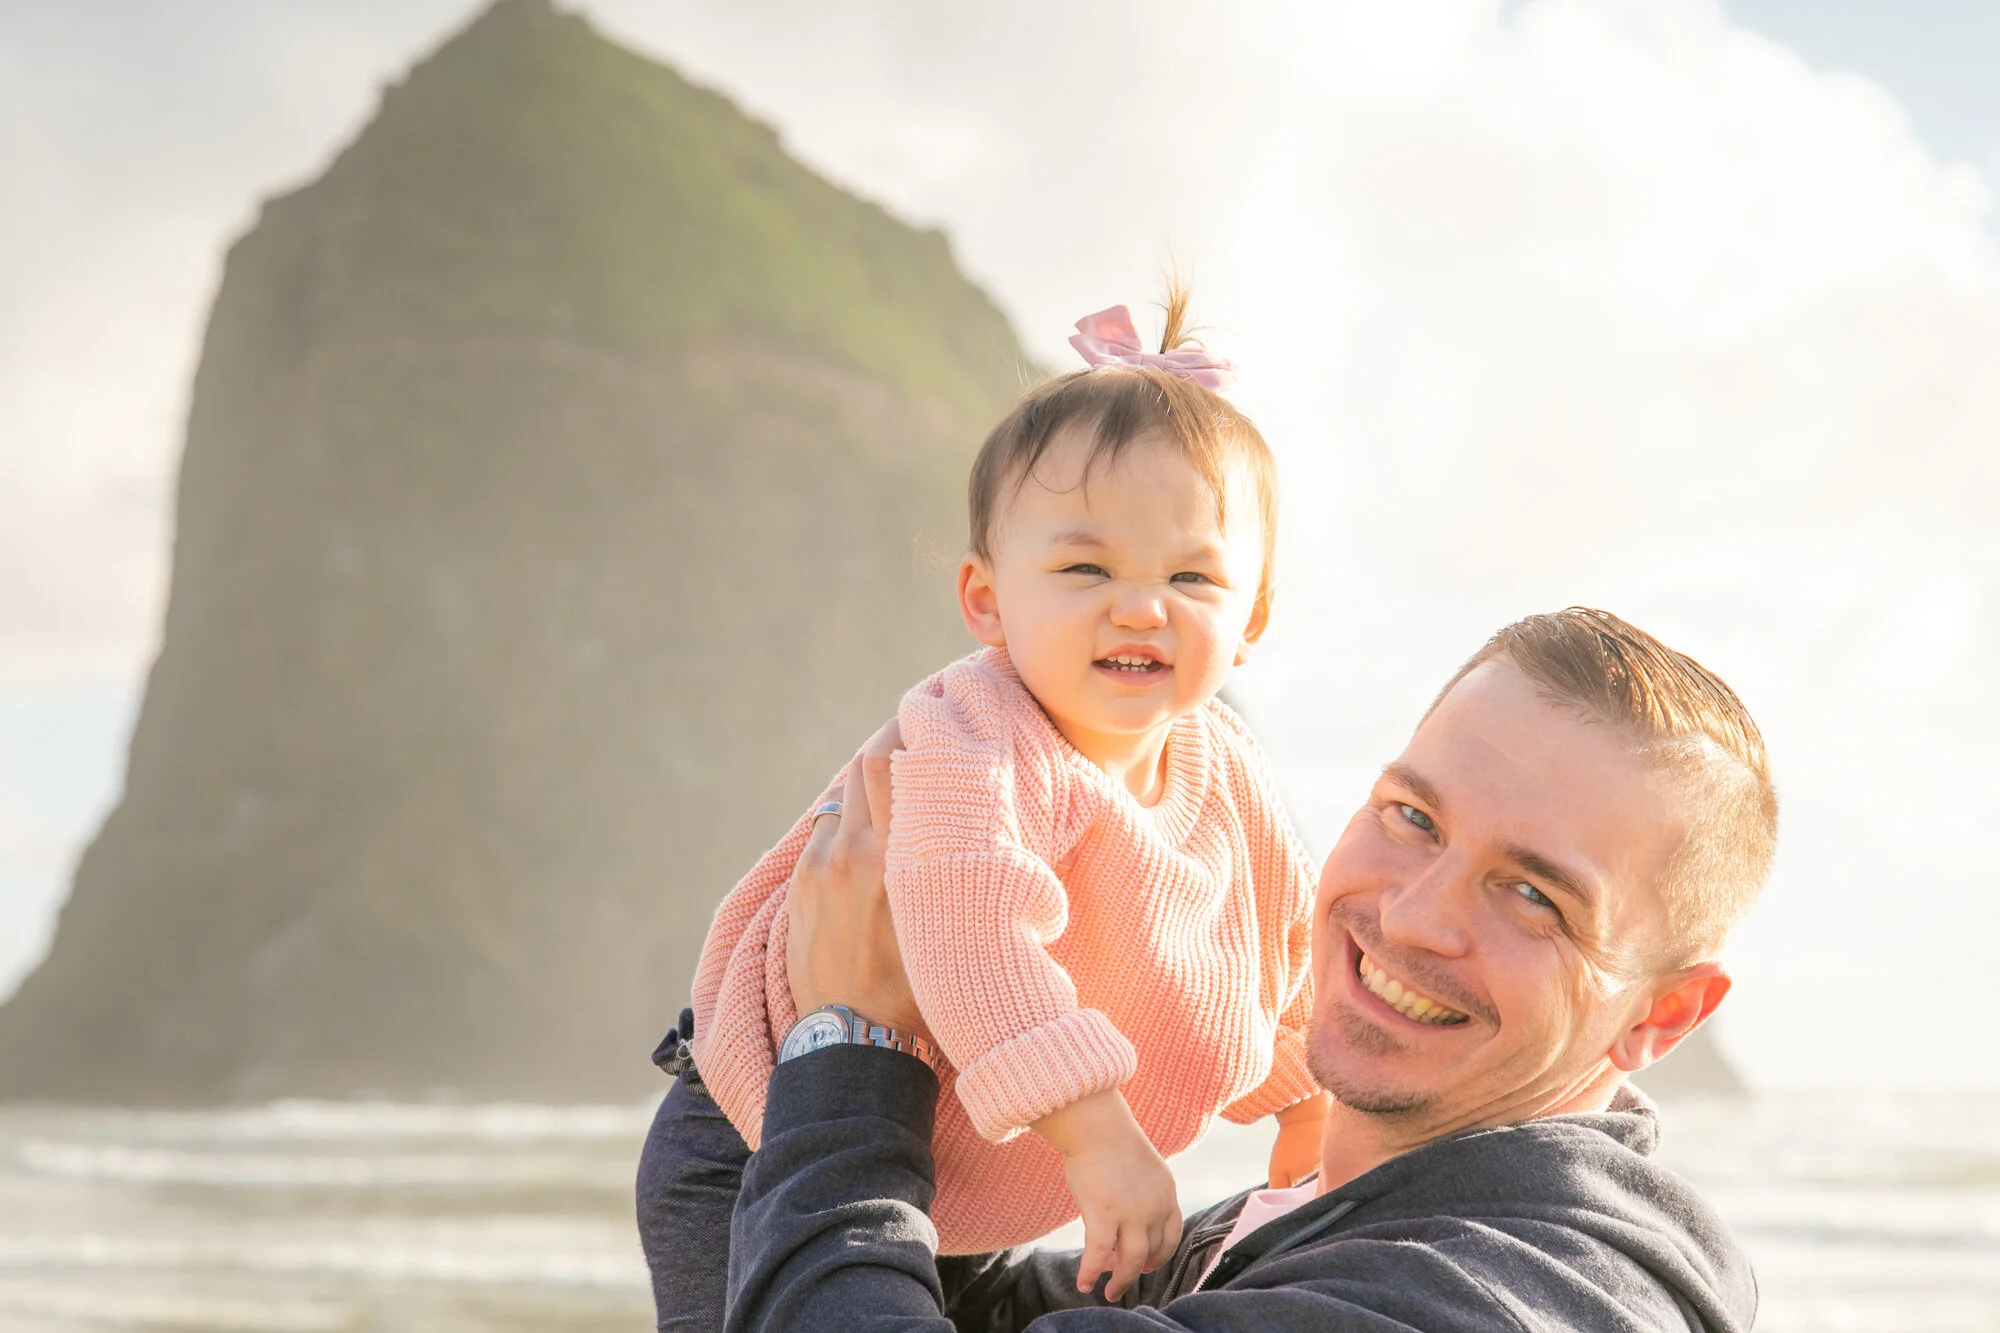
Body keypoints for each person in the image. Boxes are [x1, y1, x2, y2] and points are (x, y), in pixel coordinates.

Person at [640, 607, 1775, 1331]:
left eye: (1533, 895)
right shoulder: (1316, 1222)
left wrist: (853, 1046)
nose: (1415, 915)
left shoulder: (1501, 1297)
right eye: (1411, 816)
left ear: (1663, 1014)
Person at [653, 289, 1328, 1326]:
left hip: (967, 1166)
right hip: (761, 1139)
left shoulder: (1224, 766)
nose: (1140, 604)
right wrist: (1100, 1134)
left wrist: (1300, 1092)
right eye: (1082, 566)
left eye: (1191, 575)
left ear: (1254, 618)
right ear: (986, 598)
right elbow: (972, 926)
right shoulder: (975, 733)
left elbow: (1271, 941)